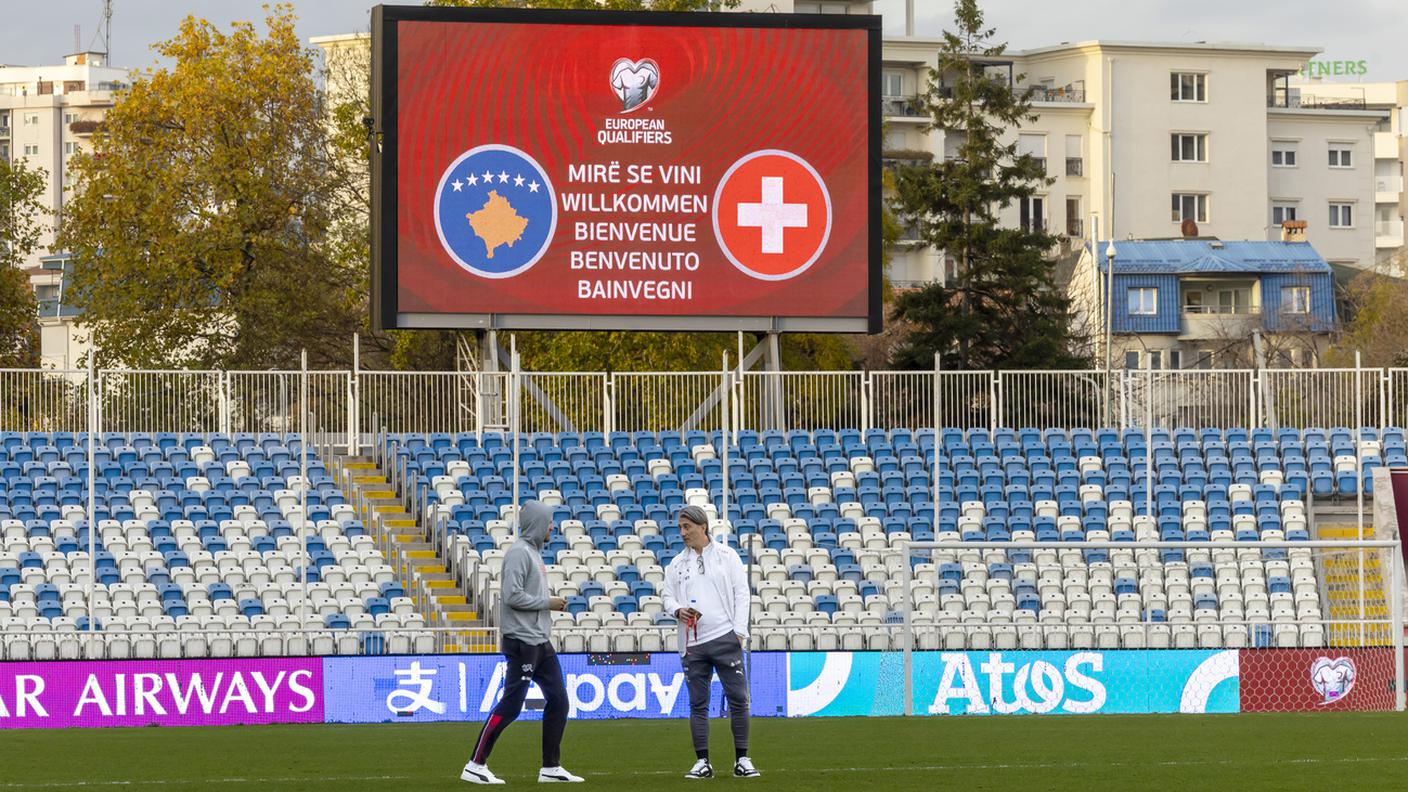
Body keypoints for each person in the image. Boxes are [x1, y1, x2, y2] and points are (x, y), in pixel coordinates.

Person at [461, 500, 583, 785]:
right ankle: (475, 764)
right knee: (512, 704)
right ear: (537, 523)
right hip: (522, 641)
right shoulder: (519, 552)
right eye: (549, 521)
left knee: (559, 700)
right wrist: (548, 603)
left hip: (540, 641)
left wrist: (546, 606)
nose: (552, 526)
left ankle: (550, 767)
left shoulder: (532, 552)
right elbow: (512, 595)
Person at [661, 505, 760, 780]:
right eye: (680, 528)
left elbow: (742, 594)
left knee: (739, 700)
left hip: (725, 637)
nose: (683, 533)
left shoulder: (727, 556)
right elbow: (667, 597)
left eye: (687, 527)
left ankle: (742, 760)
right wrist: (677, 610)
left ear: (702, 526)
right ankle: (702, 762)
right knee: (698, 704)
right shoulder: (676, 564)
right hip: (692, 645)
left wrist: (739, 632)